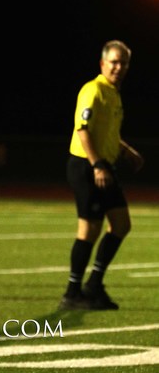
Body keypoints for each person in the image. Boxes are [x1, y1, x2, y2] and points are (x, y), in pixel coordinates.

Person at [59, 40, 144, 311]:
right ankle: (72, 293)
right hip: (86, 166)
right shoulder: (93, 90)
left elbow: (107, 132)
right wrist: (97, 165)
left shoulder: (113, 93)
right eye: (114, 62)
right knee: (90, 228)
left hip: (104, 165)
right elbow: (82, 130)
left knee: (121, 224)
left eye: (123, 63)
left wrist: (127, 151)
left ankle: (94, 284)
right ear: (102, 63)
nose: (118, 67)